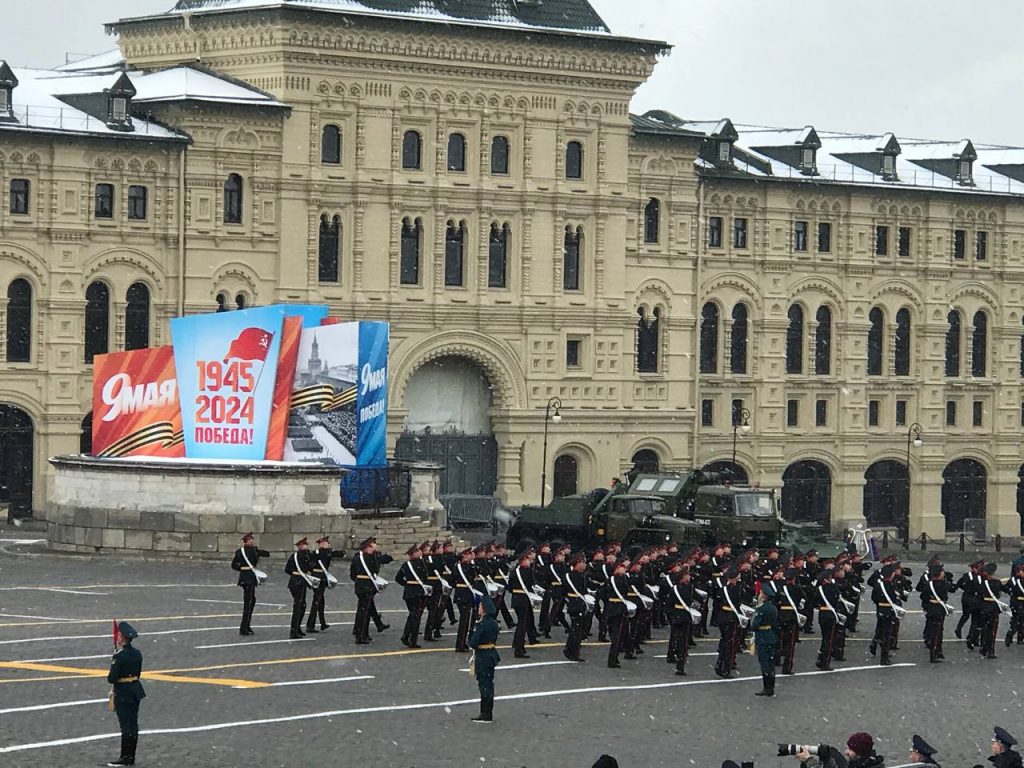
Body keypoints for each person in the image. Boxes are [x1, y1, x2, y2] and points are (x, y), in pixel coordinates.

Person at [106, 621, 145, 767]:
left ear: (122, 638)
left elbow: (111, 678)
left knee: (125, 726)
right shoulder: (137, 653)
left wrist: (114, 662)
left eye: (119, 635)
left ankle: (125, 757)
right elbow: (138, 673)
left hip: (123, 692)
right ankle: (131, 756)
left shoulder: (119, 657)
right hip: (135, 690)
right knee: (133, 724)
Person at [467, 594, 501, 723]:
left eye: (480, 607)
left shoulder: (481, 624)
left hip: (483, 656)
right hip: (491, 654)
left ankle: (485, 713)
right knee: (489, 684)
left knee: (484, 684)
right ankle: (488, 711)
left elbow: (473, 642)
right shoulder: (493, 623)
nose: (479, 609)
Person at [230, 532, 269, 636]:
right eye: (250, 539)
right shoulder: (241, 552)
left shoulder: (253, 550)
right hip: (247, 577)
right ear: (246, 541)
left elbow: (266, 553)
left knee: (251, 601)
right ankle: (244, 627)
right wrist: (244, 568)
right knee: (249, 602)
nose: (252, 541)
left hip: (247, 577)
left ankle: (246, 625)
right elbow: (234, 565)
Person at [395, 544, 430, 648]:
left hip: (408, 592)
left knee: (412, 614)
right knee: (416, 616)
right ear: (414, 553)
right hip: (418, 592)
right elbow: (426, 575)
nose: (420, 552)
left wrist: (407, 584)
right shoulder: (422, 563)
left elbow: (398, 578)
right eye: (418, 551)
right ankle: (412, 639)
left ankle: (406, 635)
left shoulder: (406, 565)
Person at [285, 537, 316, 639]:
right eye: (304, 545)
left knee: (300, 605)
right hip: (300, 582)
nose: (306, 546)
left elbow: (288, 569)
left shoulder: (293, 556)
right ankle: (294, 630)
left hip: (294, 581)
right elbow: (310, 567)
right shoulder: (305, 556)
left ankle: (297, 628)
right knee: (299, 606)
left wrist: (295, 575)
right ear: (300, 546)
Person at [350, 537, 379, 645]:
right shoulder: (370, 557)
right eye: (373, 545)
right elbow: (375, 569)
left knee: (362, 611)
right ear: (368, 547)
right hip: (367, 586)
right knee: (364, 612)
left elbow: (352, 575)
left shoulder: (357, 558)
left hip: (360, 586)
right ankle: (361, 636)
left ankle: (363, 633)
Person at [562, 553, 590, 662]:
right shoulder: (573, 576)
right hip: (576, 603)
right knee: (576, 630)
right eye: (583, 562)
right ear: (577, 563)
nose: (585, 565)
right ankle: (573, 652)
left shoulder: (578, 575)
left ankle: (571, 650)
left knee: (576, 629)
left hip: (577, 603)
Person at [305, 536, 336, 633]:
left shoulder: (316, 553)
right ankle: (310, 625)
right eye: (326, 543)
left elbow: (309, 564)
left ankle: (322, 623)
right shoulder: (324, 553)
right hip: (320, 578)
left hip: (316, 577)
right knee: (317, 601)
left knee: (320, 600)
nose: (328, 544)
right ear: (322, 544)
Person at [752, 588, 779, 697]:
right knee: (770, 663)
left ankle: (767, 688)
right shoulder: (773, 608)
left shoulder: (761, 609)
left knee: (764, 663)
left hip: (762, 636)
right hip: (771, 636)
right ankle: (771, 687)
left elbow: (754, 625)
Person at [1007, 561, 1024, 646]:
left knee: (1022, 622)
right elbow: (1007, 588)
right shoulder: (1014, 580)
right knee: (1016, 620)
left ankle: (1020, 638)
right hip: (1017, 602)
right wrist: (1013, 594)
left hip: (1020, 602)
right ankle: (1010, 635)